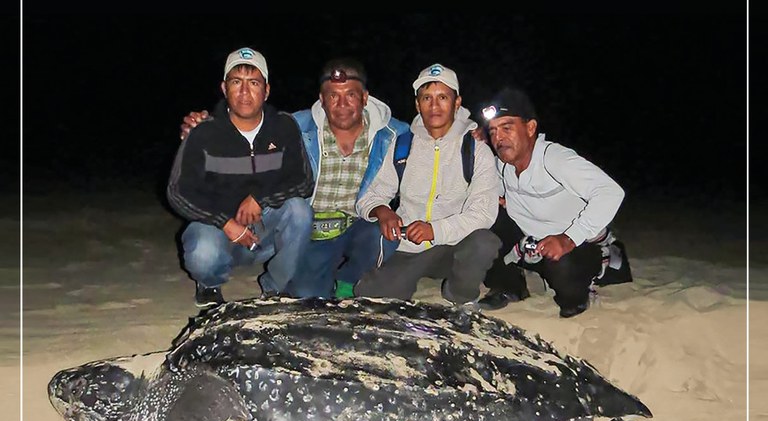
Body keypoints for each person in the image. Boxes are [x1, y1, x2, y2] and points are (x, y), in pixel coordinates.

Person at [180, 58, 410, 299]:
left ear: (364, 97)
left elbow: (431, 141)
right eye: (333, 96)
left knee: (388, 233)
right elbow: (247, 131)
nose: (342, 104)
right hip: (311, 232)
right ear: (321, 99)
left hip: (360, 223)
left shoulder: (396, 134)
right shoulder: (293, 127)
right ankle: (273, 282)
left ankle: (349, 279)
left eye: (350, 95)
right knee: (306, 295)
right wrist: (202, 129)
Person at [167, 47, 314, 308]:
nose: (245, 92)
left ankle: (276, 289)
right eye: (237, 82)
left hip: (265, 230)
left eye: (254, 82)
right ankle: (210, 284)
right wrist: (224, 222)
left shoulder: (284, 126)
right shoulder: (203, 132)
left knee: (300, 211)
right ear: (224, 88)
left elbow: (303, 180)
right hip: (220, 232)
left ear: (266, 91)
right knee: (203, 251)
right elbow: (178, 192)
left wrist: (260, 199)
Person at [477, 86, 632, 318]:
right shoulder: (503, 165)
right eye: (493, 131)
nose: (499, 138)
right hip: (531, 244)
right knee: (481, 218)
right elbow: (491, 193)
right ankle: (510, 288)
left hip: (574, 245)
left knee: (566, 290)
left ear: (530, 128)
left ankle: (597, 272)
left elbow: (610, 192)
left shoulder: (555, 159)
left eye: (507, 128)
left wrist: (568, 239)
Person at [354, 63, 501, 306]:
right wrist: (382, 211)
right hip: (409, 247)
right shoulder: (402, 145)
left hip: (455, 245)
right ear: (417, 104)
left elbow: (484, 212)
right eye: (426, 98)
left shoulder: (476, 150)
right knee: (370, 296)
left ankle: (461, 297)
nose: (434, 106)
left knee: (484, 242)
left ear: (457, 103)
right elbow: (370, 196)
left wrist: (436, 230)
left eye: (443, 97)